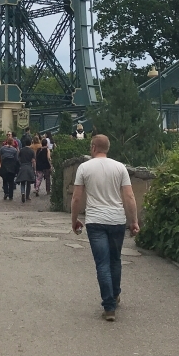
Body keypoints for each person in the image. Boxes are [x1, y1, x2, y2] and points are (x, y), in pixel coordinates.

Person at [70, 134, 139, 322]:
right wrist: (134, 221)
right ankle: (115, 295)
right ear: (107, 148)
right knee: (115, 260)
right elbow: (129, 197)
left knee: (102, 263)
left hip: (95, 221)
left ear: (93, 147)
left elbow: (76, 198)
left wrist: (74, 219)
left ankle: (109, 307)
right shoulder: (120, 167)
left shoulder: (84, 168)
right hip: (117, 220)